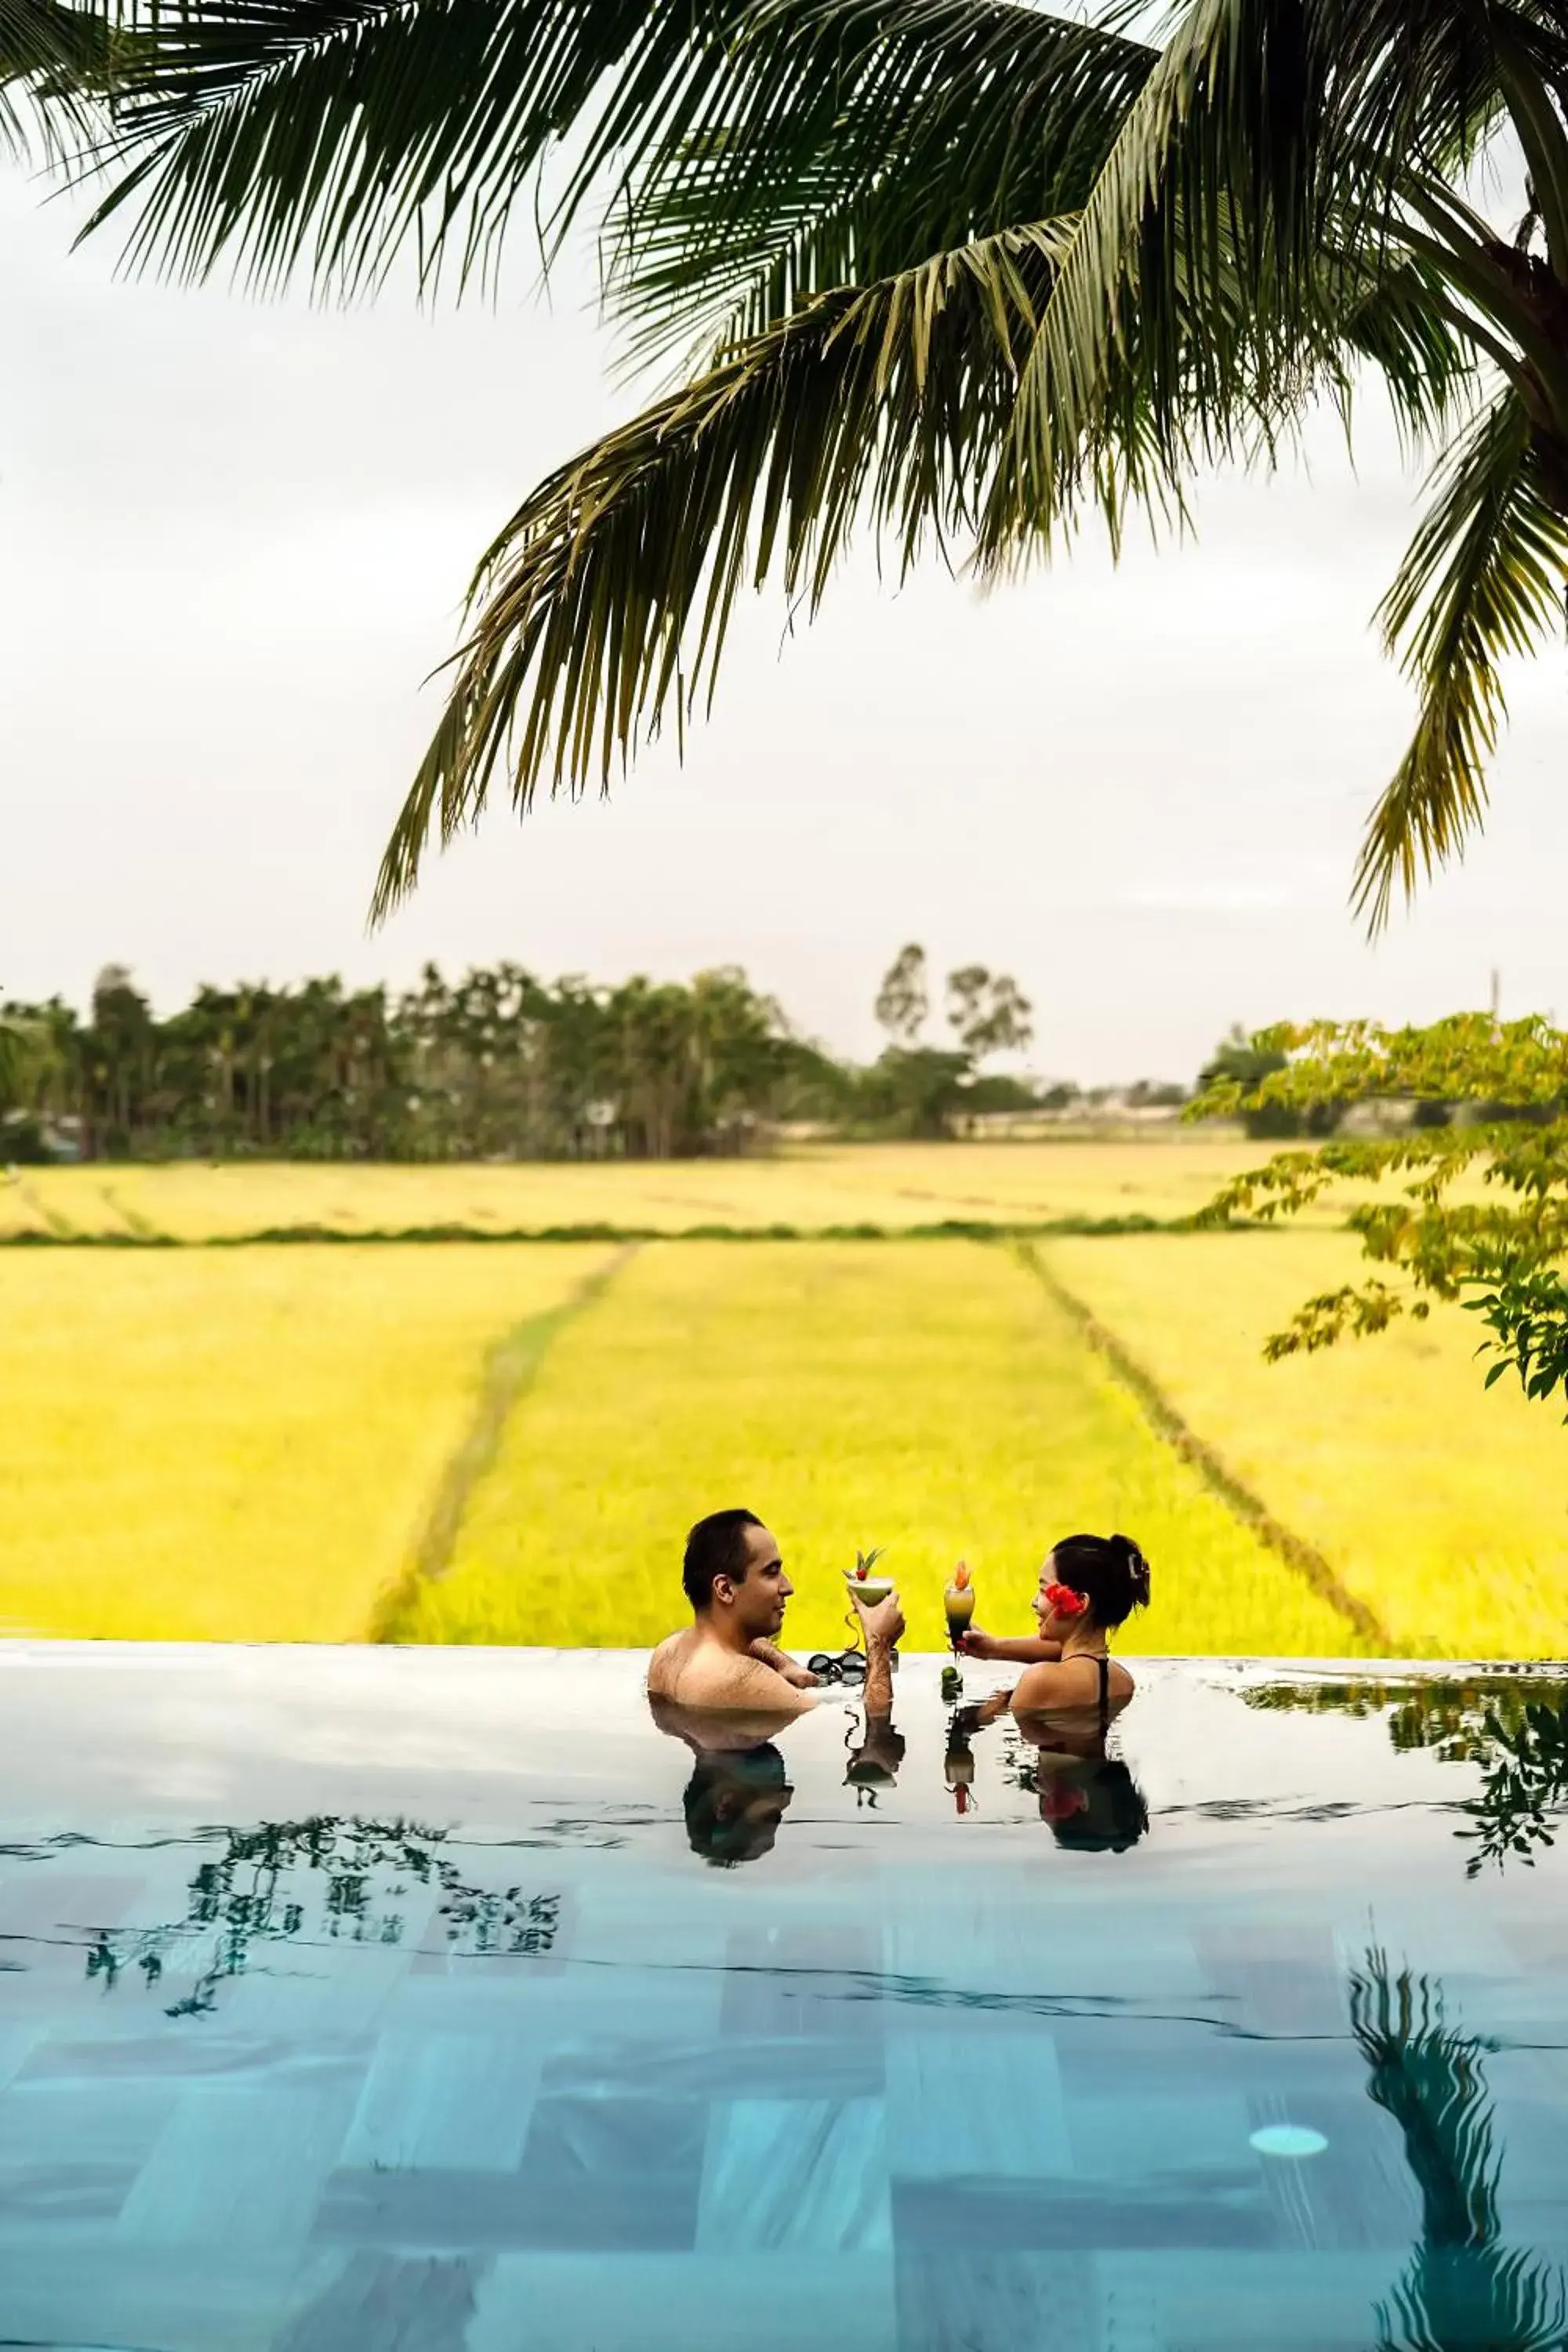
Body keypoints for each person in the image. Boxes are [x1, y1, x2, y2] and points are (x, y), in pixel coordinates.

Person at [647, 1507, 902, 1715]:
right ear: (725, 1589)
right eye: (771, 1572)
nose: (788, 1587)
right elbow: (875, 1715)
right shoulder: (740, 1680)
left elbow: (738, 1640)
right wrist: (878, 1642)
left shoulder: (669, 1652)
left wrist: (783, 1664)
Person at [960, 1531, 1150, 1715]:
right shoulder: (1123, 1681)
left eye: (1043, 1590)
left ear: (1081, 1603)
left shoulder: (1040, 1680)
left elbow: (984, 1725)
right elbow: (1068, 1653)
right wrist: (991, 1647)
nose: (1034, 1602)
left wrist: (998, 1704)